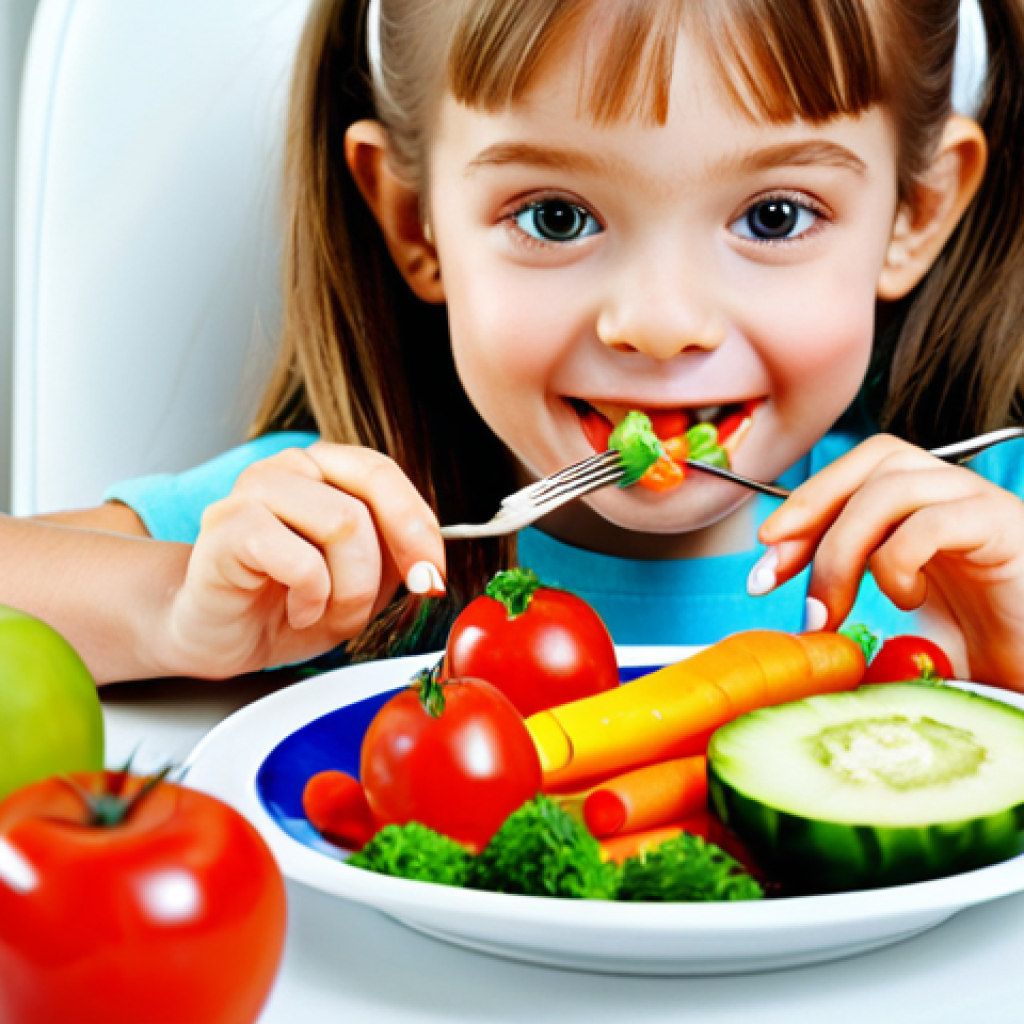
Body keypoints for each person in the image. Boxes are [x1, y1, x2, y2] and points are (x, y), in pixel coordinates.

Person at [15, 0, 1024, 690]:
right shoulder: (333, 537)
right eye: (553, 216)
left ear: (914, 212)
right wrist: (171, 612)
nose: (661, 322)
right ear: (417, 226)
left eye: (772, 216)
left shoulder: (988, 533)